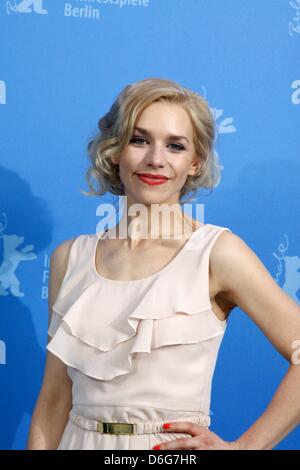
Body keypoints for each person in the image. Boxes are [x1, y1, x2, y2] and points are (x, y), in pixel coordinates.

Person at [27, 78, 300, 450]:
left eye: (175, 146)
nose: (155, 159)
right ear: (114, 151)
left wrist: (244, 448)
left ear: (195, 162)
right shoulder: (69, 258)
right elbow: (55, 397)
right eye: (139, 140)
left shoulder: (216, 253)